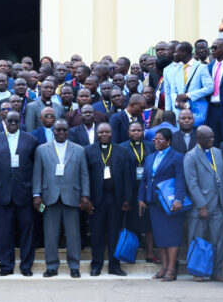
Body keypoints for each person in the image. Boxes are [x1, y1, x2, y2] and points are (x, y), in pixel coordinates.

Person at [32, 119, 91, 278]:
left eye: (64, 130)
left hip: (72, 196)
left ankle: (74, 266)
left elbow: (84, 174)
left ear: (68, 131)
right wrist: (36, 194)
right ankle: (51, 266)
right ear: (53, 131)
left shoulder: (79, 150)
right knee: (50, 234)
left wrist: (85, 195)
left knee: (73, 234)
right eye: (58, 130)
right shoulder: (42, 149)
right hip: (49, 197)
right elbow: (37, 173)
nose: (61, 132)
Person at [0, 111, 38, 276]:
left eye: (16, 120)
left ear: (20, 121)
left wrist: (35, 192)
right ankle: (6, 266)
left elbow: (36, 168)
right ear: (4, 120)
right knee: (3, 234)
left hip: (24, 194)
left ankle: (26, 267)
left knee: (27, 233)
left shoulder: (31, 140)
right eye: (9, 120)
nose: (13, 122)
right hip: (3, 195)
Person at [84, 123, 132, 276]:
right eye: (101, 132)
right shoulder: (88, 151)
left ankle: (114, 266)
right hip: (96, 200)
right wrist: (86, 198)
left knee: (114, 234)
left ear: (112, 134)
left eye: (107, 132)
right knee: (97, 234)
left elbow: (127, 177)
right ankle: (96, 265)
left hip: (115, 199)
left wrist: (127, 198)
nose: (104, 134)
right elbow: (84, 176)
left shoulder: (122, 151)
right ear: (97, 134)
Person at [138, 128, 186, 281]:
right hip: (154, 203)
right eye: (154, 139)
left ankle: (172, 269)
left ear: (168, 141)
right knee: (160, 238)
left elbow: (180, 179)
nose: (156, 141)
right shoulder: (150, 157)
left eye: (159, 139)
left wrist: (179, 199)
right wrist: (141, 198)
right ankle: (164, 267)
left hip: (170, 203)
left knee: (171, 237)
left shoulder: (177, 157)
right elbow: (145, 180)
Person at [183, 126, 223, 282]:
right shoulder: (191, 156)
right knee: (198, 239)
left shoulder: (217, 152)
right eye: (208, 138)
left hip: (217, 204)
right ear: (198, 139)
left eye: (212, 137)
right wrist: (201, 205)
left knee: (218, 239)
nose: (212, 140)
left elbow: (222, 178)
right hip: (200, 206)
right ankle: (198, 271)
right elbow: (192, 184)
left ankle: (217, 271)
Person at [120, 122, 157, 263]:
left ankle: (149, 252)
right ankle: (130, 253)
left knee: (148, 223)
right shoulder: (122, 148)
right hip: (130, 191)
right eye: (133, 130)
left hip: (147, 190)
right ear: (128, 133)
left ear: (143, 132)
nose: (136, 133)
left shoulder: (151, 146)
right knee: (130, 223)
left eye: (139, 130)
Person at [165, 41, 213, 125]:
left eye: (176, 52)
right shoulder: (176, 70)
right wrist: (177, 103)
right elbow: (172, 91)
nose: (174, 54)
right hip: (179, 114)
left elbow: (209, 88)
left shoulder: (201, 67)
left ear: (184, 53)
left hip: (196, 113)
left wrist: (188, 95)